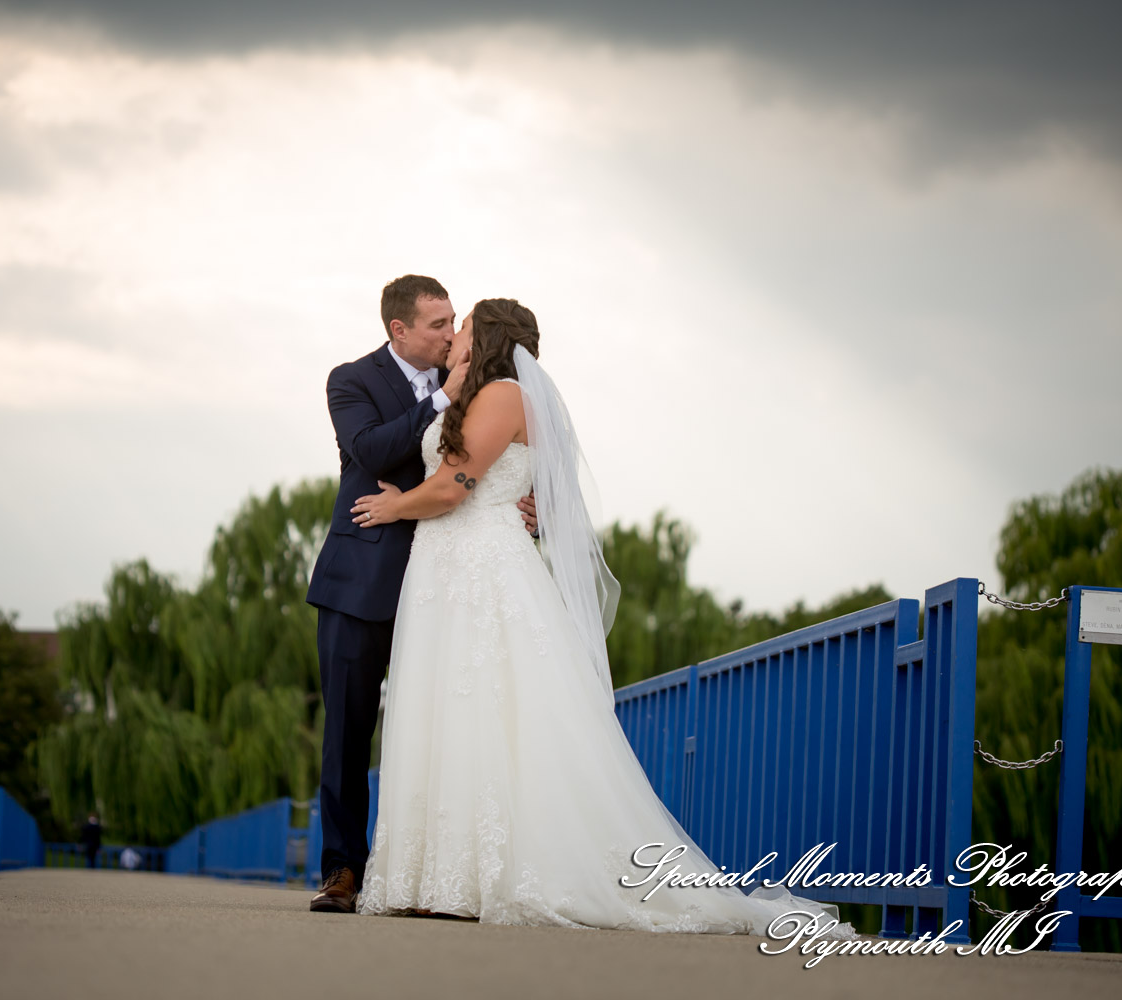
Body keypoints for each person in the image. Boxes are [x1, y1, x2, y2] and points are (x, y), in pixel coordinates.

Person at [346, 299, 856, 938]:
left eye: (465, 326)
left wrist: (396, 508)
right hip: (444, 569)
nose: (454, 336)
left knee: (486, 708)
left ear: (489, 338)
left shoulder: (503, 394)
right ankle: (437, 876)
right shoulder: (473, 397)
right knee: (446, 710)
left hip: (483, 569)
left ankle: (478, 876)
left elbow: (458, 485)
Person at [304, 275, 536, 914]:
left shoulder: (480, 380)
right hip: (363, 581)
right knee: (348, 730)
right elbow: (369, 449)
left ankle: (431, 870)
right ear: (397, 330)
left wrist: (531, 498)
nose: (448, 333)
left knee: (440, 724)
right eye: (436, 325)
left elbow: (502, 455)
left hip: (451, 585)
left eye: (453, 321)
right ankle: (344, 869)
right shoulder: (350, 381)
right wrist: (444, 400)